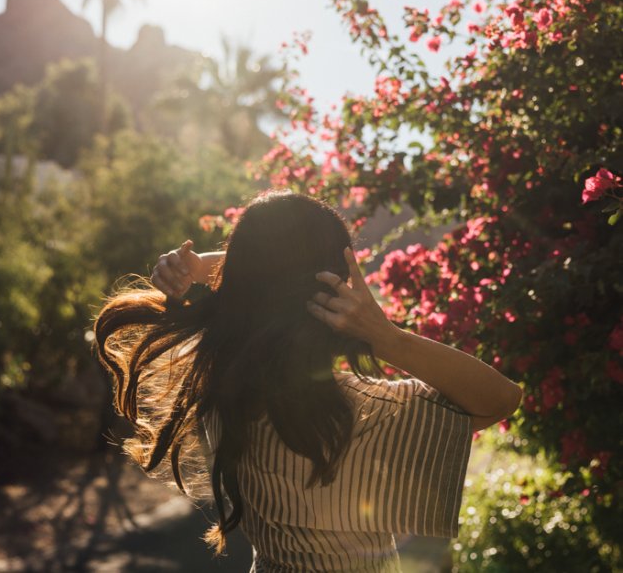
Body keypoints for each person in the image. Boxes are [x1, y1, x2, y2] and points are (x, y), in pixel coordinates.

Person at [94, 190, 522, 572]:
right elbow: (500, 398)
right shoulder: (361, 416)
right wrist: (385, 337)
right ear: (333, 289)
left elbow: (261, 283)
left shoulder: (220, 387)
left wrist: (204, 268)